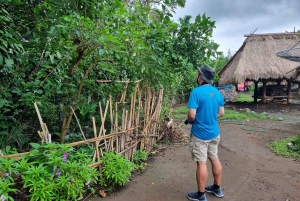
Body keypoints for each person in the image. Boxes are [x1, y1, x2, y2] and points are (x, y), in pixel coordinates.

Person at [185, 65, 225, 201]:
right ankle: (217, 188)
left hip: (200, 135)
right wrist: (209, 117)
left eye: (197, 73)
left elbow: (191, 115)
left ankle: (201, 195)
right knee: (214, 158)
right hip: (214, 133)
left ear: (201, 76)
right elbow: (221, 113)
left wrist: (193, 119)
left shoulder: (196, 92)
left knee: (202, 163)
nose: (196, 75)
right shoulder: (217, 92)